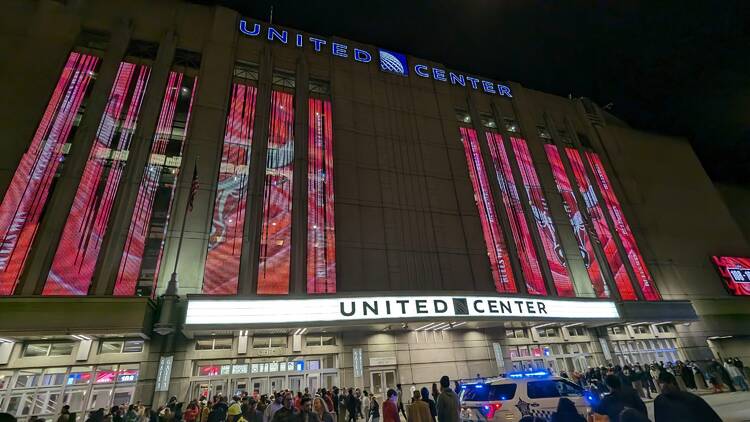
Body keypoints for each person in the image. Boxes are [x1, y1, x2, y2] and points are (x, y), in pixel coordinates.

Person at [654, 371, 720, 422]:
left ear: (673, 383)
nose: (664, 386)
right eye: (661, 383)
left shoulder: (691, 400)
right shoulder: (659, 401)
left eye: (667, 383)